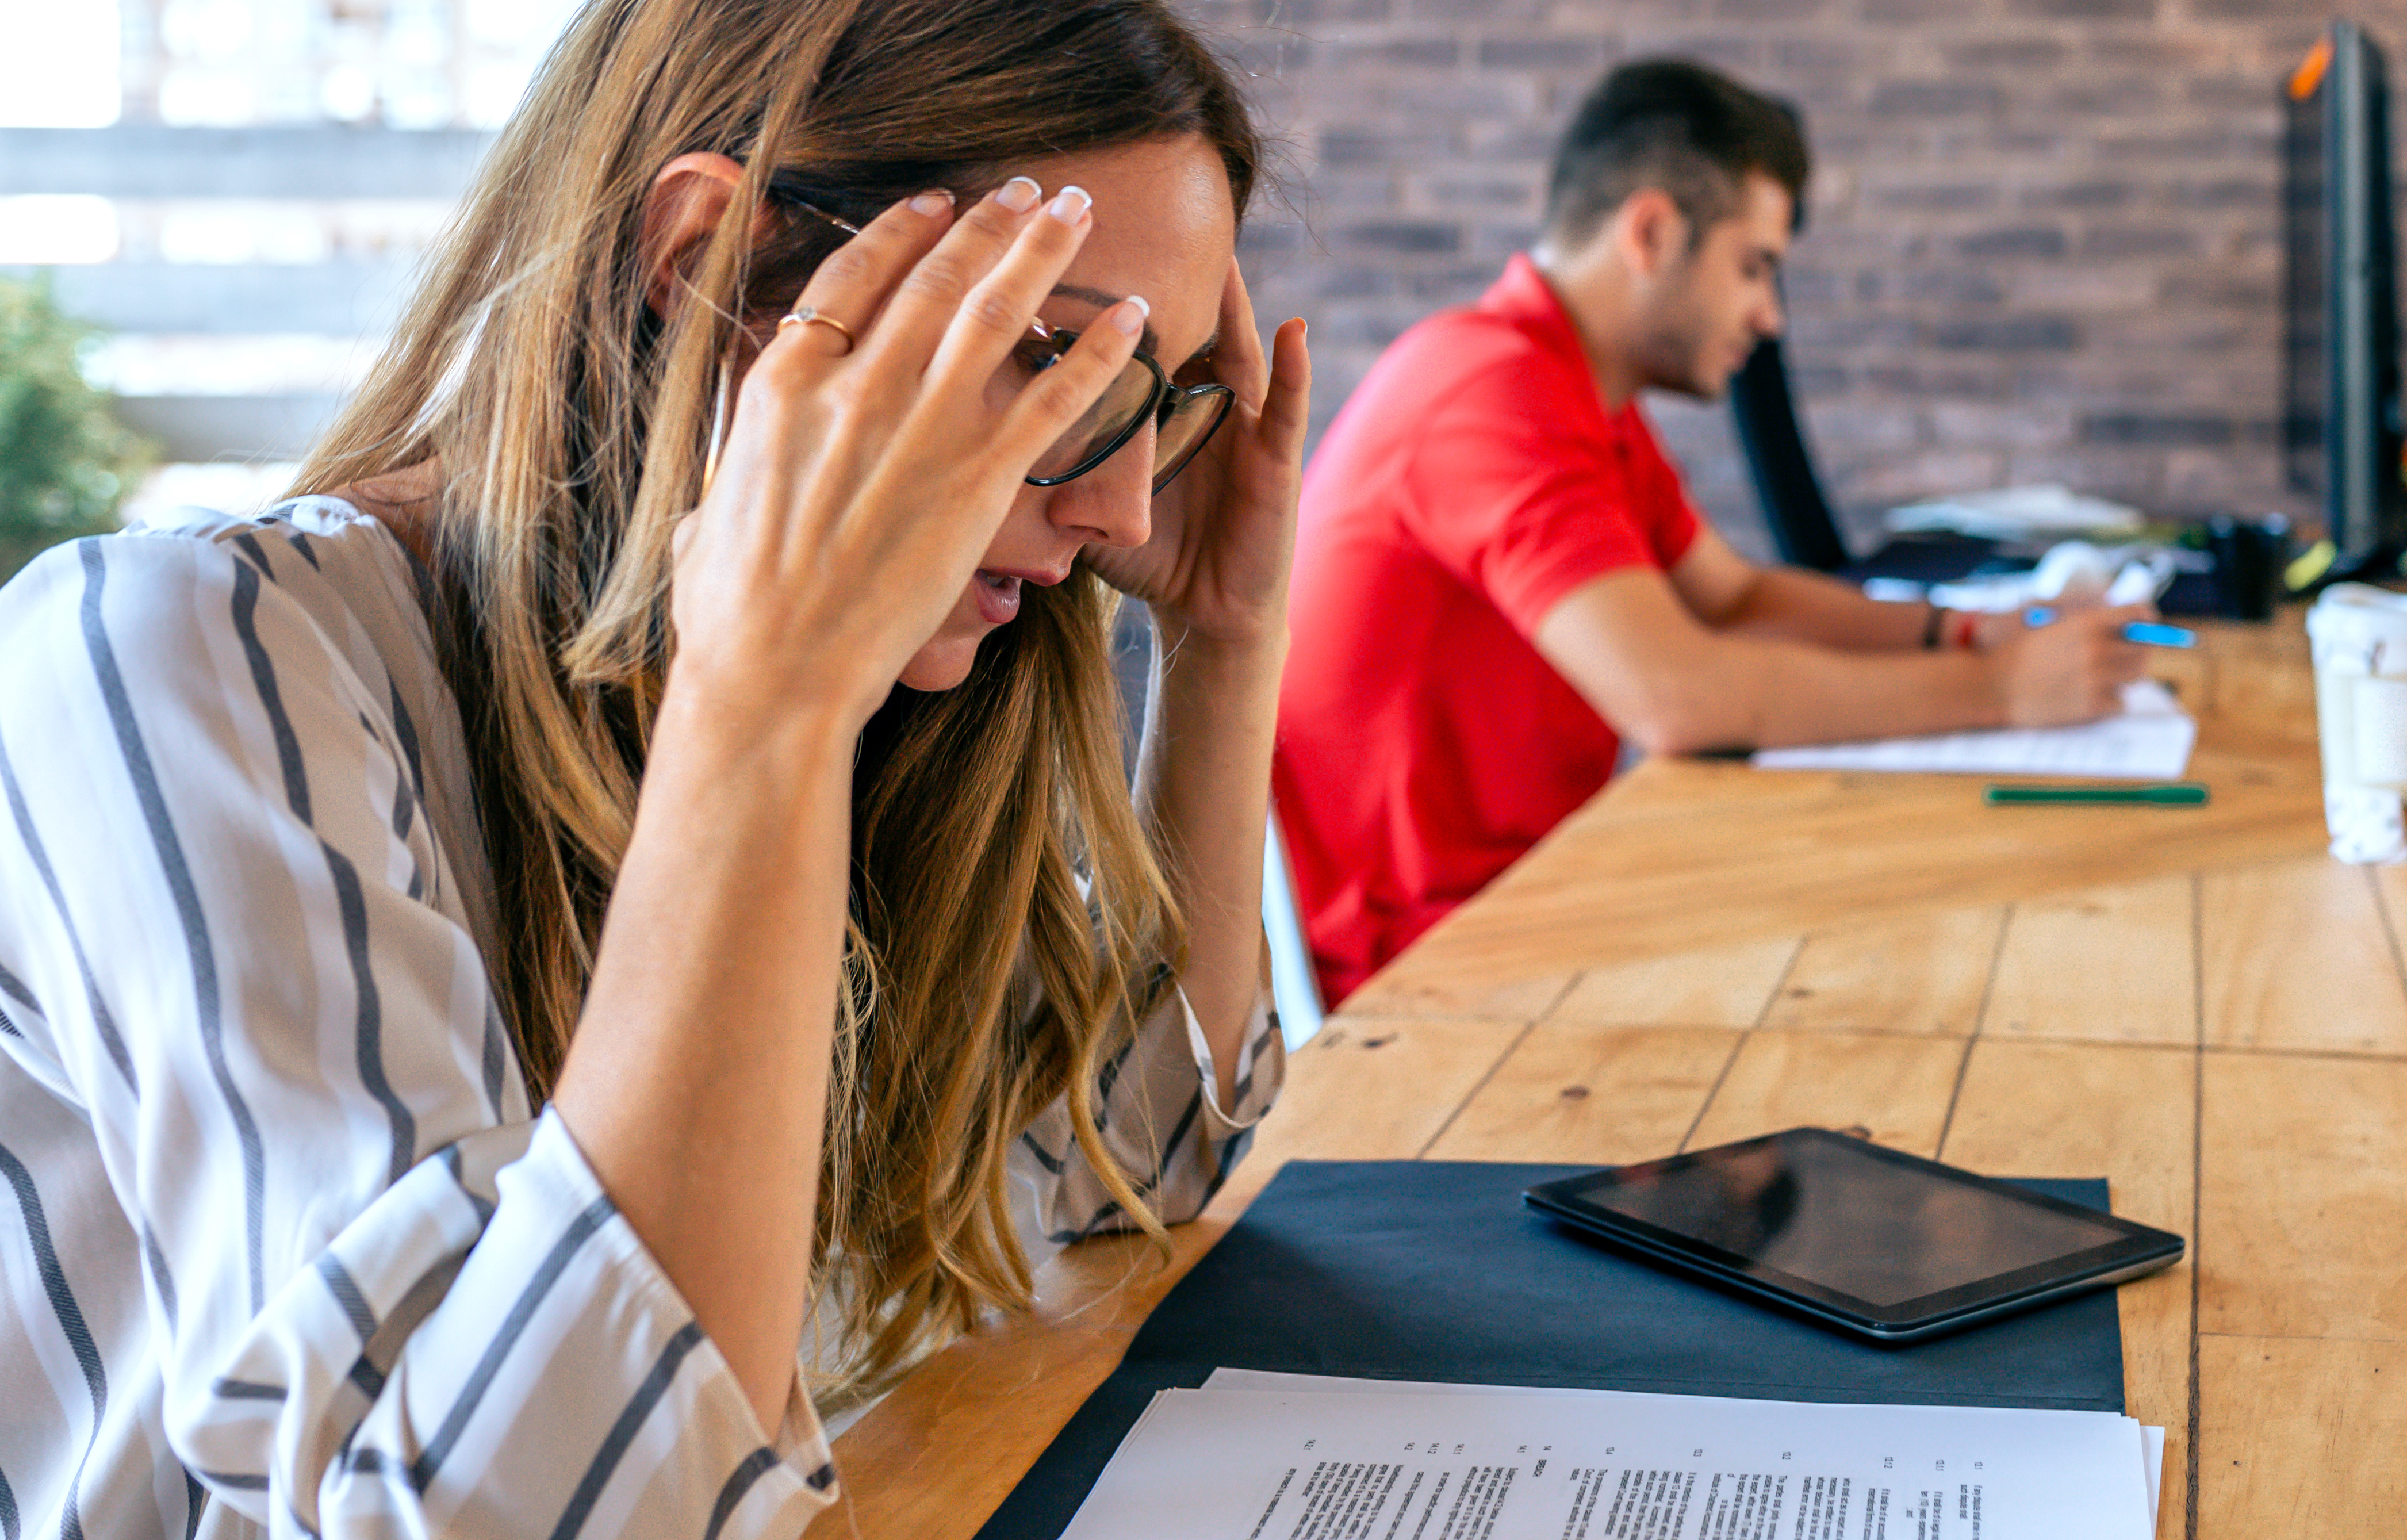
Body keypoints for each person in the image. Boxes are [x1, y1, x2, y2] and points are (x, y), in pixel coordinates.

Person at [0, 0, 1308, 1534]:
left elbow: (1122, 1175)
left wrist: (1225, 646)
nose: (1123, 514)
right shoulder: (175, 652)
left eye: (1150, 397)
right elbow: (527, 1510)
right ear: (705, 269)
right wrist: (766, 705)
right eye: (1049, 365)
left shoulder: (903, 708)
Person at [1275, 58, 2151, 1004]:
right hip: (1424, 974)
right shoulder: (1489, 393)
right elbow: (1676, 698)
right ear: (1651, 232)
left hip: (1527, 906)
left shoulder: (1569, 388)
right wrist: (2001, 691)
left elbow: (1734, 597)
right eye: (1754, 267)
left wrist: (1971, 632)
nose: (1767, 315)